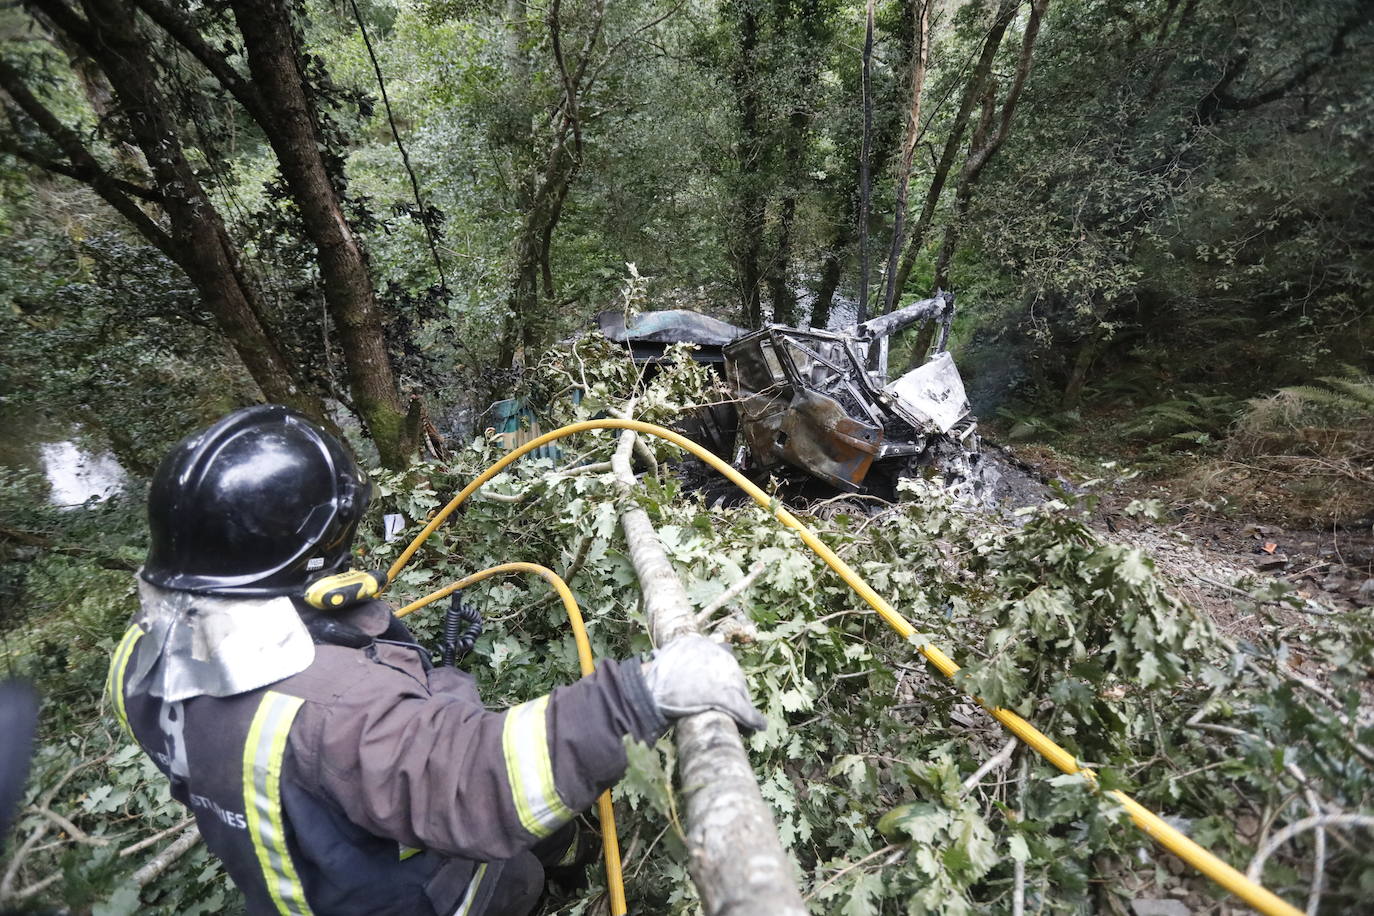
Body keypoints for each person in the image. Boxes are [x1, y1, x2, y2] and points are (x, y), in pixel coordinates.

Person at [108, 404, 764, 916]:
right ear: (305, 562)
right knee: (520, 875)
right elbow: (478, 780)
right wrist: (641, 695)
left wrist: (425, 666)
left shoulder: (140, 659)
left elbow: (345, 747)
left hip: (313, 875)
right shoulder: (332, 711)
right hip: (397, 899)